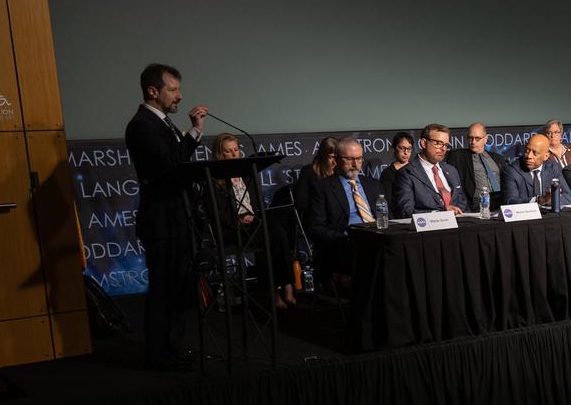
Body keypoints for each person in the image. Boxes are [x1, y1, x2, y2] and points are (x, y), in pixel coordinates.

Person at [124, 63, 207, 371]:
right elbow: (168, 163)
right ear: (153, 91)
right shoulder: (142, 125)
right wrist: (195, 132)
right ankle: (158, 355)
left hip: (180, 219)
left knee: (181, 288)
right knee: (163, 290)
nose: (180, 96)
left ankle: (172, 348)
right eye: (173, 89)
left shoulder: (165, 123)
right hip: (162, 223)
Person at [210, 134, 294, 308]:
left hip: (254, 223)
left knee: (279, 233)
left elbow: (255, 204)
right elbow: (216, 213)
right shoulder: (213, 180)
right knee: (267, 239)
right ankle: (272, 292)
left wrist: (253, 216)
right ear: (220, 154)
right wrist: (238, 219)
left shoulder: (248, 175)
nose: (234, 154)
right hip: (231, 229)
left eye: (236, 150)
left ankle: (287, 285)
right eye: (228, 151)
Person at [306, 137, 383, 288]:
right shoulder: (323, 188)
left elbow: (389, 217)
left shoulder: (374, 185)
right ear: (336, 159)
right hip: (345, 245)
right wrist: (348, 238)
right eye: (349, 159)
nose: (355, 164)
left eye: (359, 159)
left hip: (379, 240)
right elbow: (315, 228)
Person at [391, 123, 469, 217]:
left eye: (446, 145)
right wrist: (440, 215)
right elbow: (405, 211)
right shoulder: (406, 174)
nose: (443, 149)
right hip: (428, 229)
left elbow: (462, 203)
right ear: (423, 143)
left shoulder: (452, 171)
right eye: (438, 143)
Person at [500, 133, 571, 208]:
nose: (529, 156)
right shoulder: (511, 171)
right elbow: (509, 201)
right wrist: (539, 200)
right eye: (527, 151)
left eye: (535, 153)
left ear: (546, 156)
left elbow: (568, 196)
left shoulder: (553, 167)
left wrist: (548, 201)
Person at [446, 122, 507, 207]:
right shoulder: (457, 156)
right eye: (470, 138)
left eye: (477, 138)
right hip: (477, 205)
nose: (473, 142)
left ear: (485, 139)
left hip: (501, 202)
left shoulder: (498, 158)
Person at [376, 131, 414, 209]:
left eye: (409, 149)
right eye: (402, 148)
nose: (406, 152)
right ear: (393, 149)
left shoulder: (417, 169)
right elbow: (387, 201)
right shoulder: (387, 173)